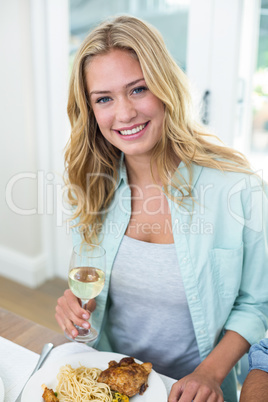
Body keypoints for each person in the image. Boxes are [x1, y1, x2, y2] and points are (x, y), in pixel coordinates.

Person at [55, 15, 268, 402]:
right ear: (90, 110)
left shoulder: (238, 187)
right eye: (104, 98)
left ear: (165, 85)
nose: (124, 114)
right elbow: (89, 286)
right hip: (108, 383)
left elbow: (257, 304)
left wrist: (209, 373)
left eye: (138, 89)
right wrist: (75, 307)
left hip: (193, 390)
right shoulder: (91, 185)